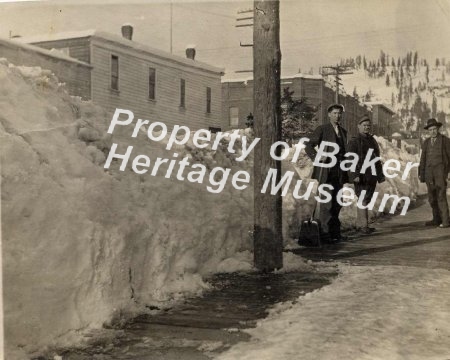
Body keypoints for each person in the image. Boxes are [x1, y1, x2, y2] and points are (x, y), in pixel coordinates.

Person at [305, 103, 348, 243]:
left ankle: (335, 232)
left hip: (339, 172)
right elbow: (309, 145)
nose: (337, 115)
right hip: (326, 171)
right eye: (335, 113)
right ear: (329, 114)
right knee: (326, 203)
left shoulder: (343, 131)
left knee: (337, 202)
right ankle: (324, 233)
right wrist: (318, 156)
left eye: (339, 113)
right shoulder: (322, 129)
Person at [347, 115, 385, 234]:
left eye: (368, 126)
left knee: (367, 198)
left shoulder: (372, 140)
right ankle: (363, 225)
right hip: (361, 175)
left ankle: (361, 224)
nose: (366, 128)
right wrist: (355, 174)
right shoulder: (354, 140)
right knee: (362, 198)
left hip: (371, 175)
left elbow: (376, 158)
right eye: (364, 125)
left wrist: (380, 175)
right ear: (359, 127)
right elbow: (350, 158)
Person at [418, 118, 450, 228]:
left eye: (434, 129)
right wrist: (421, 173)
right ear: (428, 131)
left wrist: (448, 173)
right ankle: (436, 219)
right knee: (432, 198)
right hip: (429, 174)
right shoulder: (426, 142)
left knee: (441, 196)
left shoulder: (445, 140)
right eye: (430, 130)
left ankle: (445, 221)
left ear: (438, 129)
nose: (433, 132)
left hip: (440, 173)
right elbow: (423, 159)